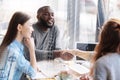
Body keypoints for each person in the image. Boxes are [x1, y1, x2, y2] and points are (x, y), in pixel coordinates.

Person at [0, 12, 37, 80]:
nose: (32, 29)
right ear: (19, 27)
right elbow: (33, 74)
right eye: (30, 25)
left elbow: (20, 63)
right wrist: (32, 49)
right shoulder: (13, 51)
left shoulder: (11, 46)